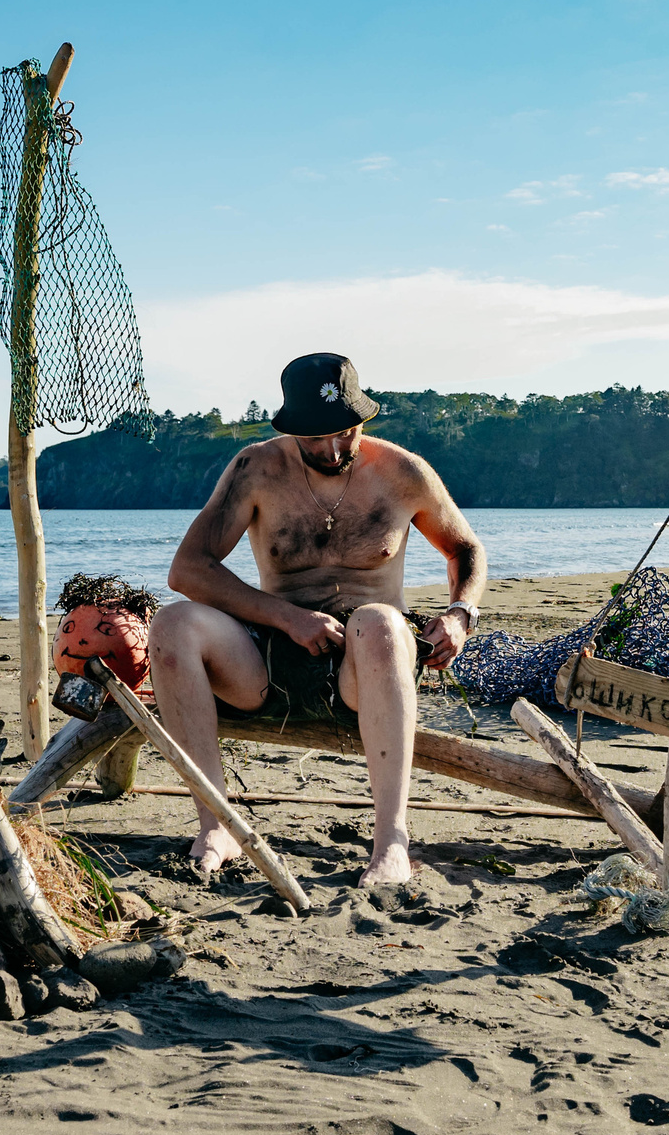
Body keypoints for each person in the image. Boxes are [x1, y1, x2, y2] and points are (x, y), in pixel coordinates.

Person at [149, 353, 487, 886]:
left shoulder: (403, 473)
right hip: (269, 652)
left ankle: (391, 843)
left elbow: (465, 550)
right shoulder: (256, 469)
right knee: (172, 625)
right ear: (289, 428)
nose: (332, 449)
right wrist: (288, 618)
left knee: (377, 622)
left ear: (363, 420)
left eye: (345, 432)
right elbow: (188, 568)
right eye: (314, 438)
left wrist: (460, 613)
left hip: (368, 660)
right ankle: (216, 825)